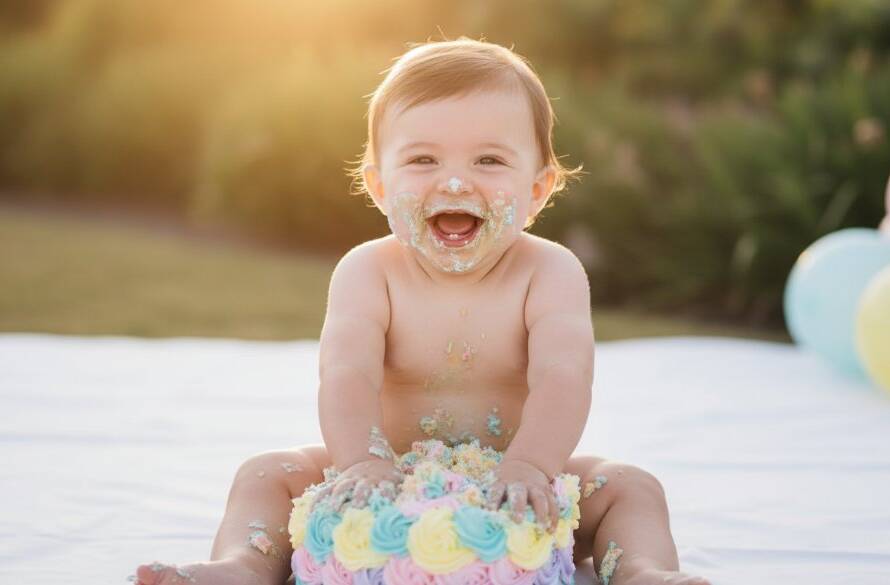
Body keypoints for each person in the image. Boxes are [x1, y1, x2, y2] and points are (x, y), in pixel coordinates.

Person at [135, 37, 710, 585]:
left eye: (489, 160)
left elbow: (564, 376)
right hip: (385, 471)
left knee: (630, 486)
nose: (455, 180)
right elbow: (346, 373)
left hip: (513, 478)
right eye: (423, 159)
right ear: (379, 186)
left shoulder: (550, 273)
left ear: (537, 191)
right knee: (266, 473)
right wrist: (361, 460)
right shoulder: (368, 272)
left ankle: (639, 571)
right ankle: (244, 566)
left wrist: (532, 466)